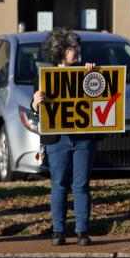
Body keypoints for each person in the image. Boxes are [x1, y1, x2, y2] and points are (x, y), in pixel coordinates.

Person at [31, 28, 98, 246]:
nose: (77, 51)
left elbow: (100, 95)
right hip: (57, 138)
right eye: (71, 48)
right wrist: (35, 101)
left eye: (77, 47)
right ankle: (58, 231)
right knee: (59, 183)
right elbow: (35, 107)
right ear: (60, 51)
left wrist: (94, 73)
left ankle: (82, 231)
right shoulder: (44, 77)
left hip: (83, 137)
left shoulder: (85, 73)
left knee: (81, 184)